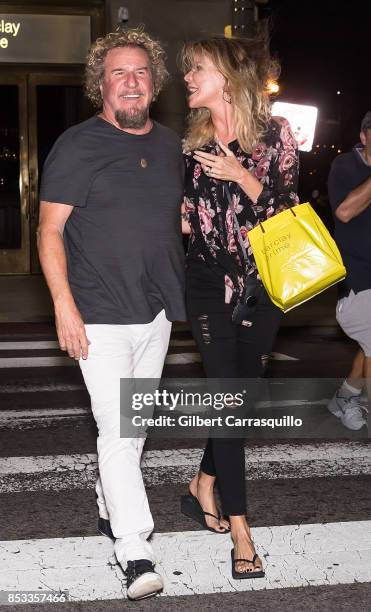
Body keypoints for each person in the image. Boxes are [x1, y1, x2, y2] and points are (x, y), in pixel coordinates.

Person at [37, 27, 186, 601]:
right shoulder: (77, 145)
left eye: (141, 73)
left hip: (155, 314)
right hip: (97, 313)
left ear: (155, 85)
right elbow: (49, 231)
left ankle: (107, 496)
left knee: (134, 426)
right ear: (101, 84)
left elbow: (163, 219)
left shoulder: (171, 144)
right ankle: (135, 549)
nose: (131, 82)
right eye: (119, 73)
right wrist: (63, 308)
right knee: (120, 431)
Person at [179, 35, 299, 579]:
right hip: (207, 284)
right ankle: (242, 531)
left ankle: (202, 479)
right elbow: (186, 223)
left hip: (261, 282)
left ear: (226, 76)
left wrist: (240, 176)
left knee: (238, 399)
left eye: (196, 68)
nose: (187, 77)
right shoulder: (190, 144)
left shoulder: (275, 135)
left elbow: (288, 209)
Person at [327, 111, 371, 430]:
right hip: (356, 282)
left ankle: (346, 396)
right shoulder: (345, 165)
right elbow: (343, 212)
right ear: (364, 136)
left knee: (368, 344)